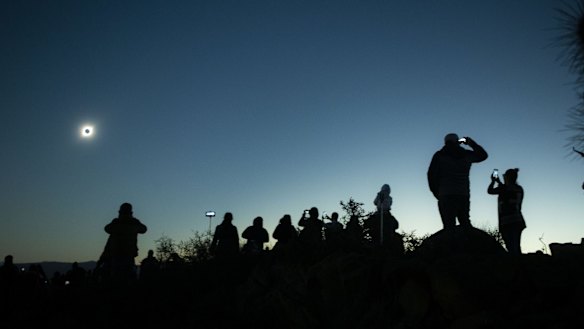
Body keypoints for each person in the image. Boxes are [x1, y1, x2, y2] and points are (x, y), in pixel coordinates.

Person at [427, 133, 488, 229]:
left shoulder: (439, 155)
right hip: (463, 194)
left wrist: (436, 192)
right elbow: (483, 155)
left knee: (448, 226)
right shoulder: (466, 155)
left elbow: (431, 175)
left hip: (445, 194)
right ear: (458, 142)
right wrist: (471, 143)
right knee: (465, 224)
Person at [101, 203, 148, 281]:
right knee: (125, 277)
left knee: (118, 277)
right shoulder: (131, 222)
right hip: (124, 254)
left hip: (119, 254)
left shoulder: (118, 222)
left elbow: (107, 229)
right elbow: (143, 229)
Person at [488, 168, 526, 255]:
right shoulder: (519, 188)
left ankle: (515, 266)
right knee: (516, 246)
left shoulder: (503, 188)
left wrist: (493, 181)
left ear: (507, 177)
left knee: (510, 247)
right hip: (518, 219)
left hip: (507, 221)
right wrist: (499, 183)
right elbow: (507, 192)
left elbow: (490, 191)